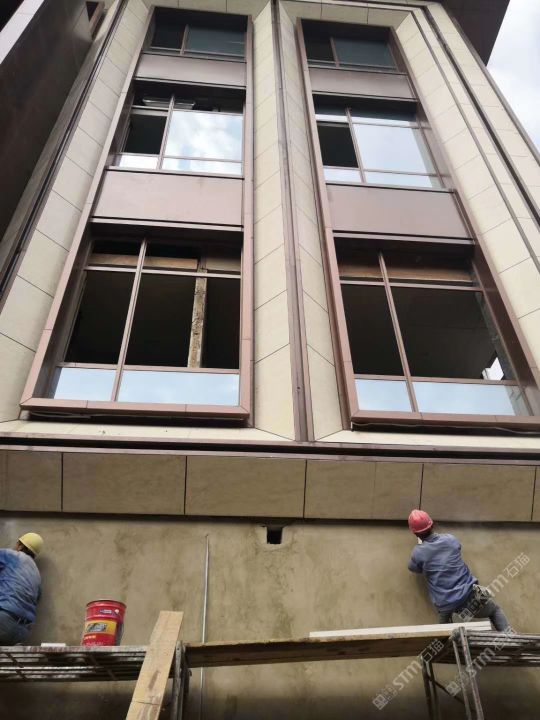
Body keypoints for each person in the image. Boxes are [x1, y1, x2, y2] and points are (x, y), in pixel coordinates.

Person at [407, 510, 509, 632]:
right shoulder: (450, 540)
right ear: (432, 525)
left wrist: (423, 551)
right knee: (495, 611)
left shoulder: (418, 553)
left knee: (444, 636)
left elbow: (413, 568)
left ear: (415, 533)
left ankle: (444, 639)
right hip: (467, 597)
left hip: (445, 605)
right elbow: (457, 548)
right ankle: (509, 638)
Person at [0, 533, 43, 645]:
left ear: (20, 546)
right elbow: (38, 598)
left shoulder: (12, 556)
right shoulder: (37, 574)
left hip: (3, 619)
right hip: (22, 632)